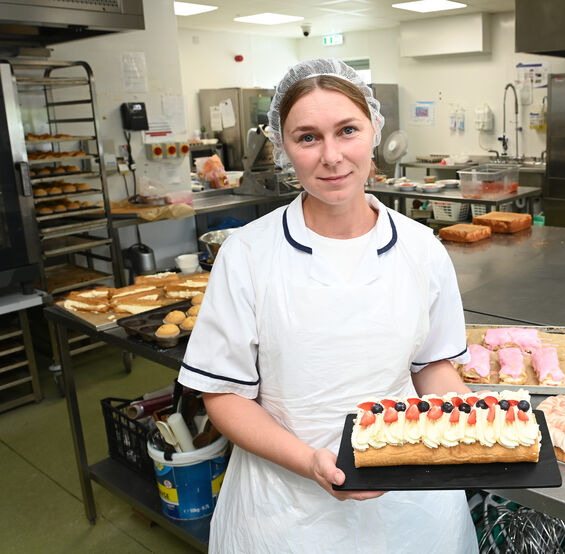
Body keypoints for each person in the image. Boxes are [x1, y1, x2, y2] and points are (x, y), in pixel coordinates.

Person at [178, 58, 478, 553]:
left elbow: (431, 367)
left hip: (410, 505)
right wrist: (309, 461)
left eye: (347, 130)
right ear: (283, 148)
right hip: (284, 513)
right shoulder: (248, 253)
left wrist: (482, 421)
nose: (332, 156)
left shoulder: (422, 247)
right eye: (308, 137)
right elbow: (223, 395)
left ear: (374, 131)